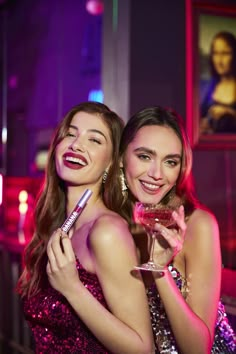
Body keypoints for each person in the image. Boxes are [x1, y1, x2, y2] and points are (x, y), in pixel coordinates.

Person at [17, 101, 154, 354]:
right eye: (71, 133)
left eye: (95, 140)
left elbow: (142, 349)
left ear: (111, 163)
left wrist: (72, 289)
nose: (76, 144)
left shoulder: (106, 232)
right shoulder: (58, 226)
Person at [119, 106, 236, 353]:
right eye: (144, 156)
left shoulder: (198, 225)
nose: (156, 174)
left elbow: (198, 349)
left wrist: (161, 272)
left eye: (170, 161)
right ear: (121, 157)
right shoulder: (113, 226)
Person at [200, 31, 236, 134]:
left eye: (225, 53)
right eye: (216, 53)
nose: (219, 61)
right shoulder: (208, 86)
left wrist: (230, 113)